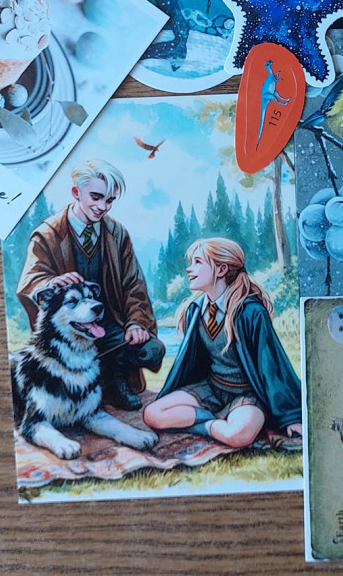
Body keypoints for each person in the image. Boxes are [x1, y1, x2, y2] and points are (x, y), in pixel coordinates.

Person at [16, 159, 164, 411]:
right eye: (96, 197)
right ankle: (80, 389)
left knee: (152, 349)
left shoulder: (117, 234)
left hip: (108, 324)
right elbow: (29, 282)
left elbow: (134, 285)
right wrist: (51, 283)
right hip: (68, 329)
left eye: (109, 200)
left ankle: (115, 381)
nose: (102, 207)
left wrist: (137, 323)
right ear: (76, 192)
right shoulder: (47, 235)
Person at [143, 237, 302, 448]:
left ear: (221, 269)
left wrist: (291, 417)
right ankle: (215, 422)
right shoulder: (195, 310)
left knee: (238, 436)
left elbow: (273, 366)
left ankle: (209, 424)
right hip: (211, 388)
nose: (189, 269)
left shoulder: (250, 312)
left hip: (246, 395)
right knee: (152, 414)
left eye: (198, 262)